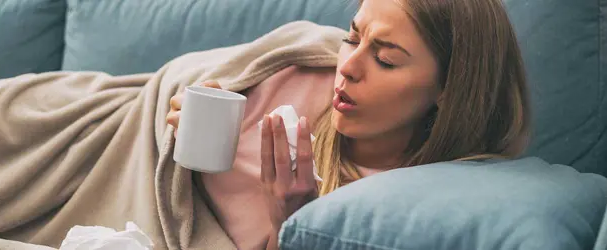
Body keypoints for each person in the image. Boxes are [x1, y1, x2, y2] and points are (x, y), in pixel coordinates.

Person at [167, 0, 530, 249]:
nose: (348, 67)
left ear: (450, 89)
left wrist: (292, 224)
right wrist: (192, 104)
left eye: (386, 60)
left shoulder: (405, 211)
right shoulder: (304, 74)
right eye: (352, 38)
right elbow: (190, 89)